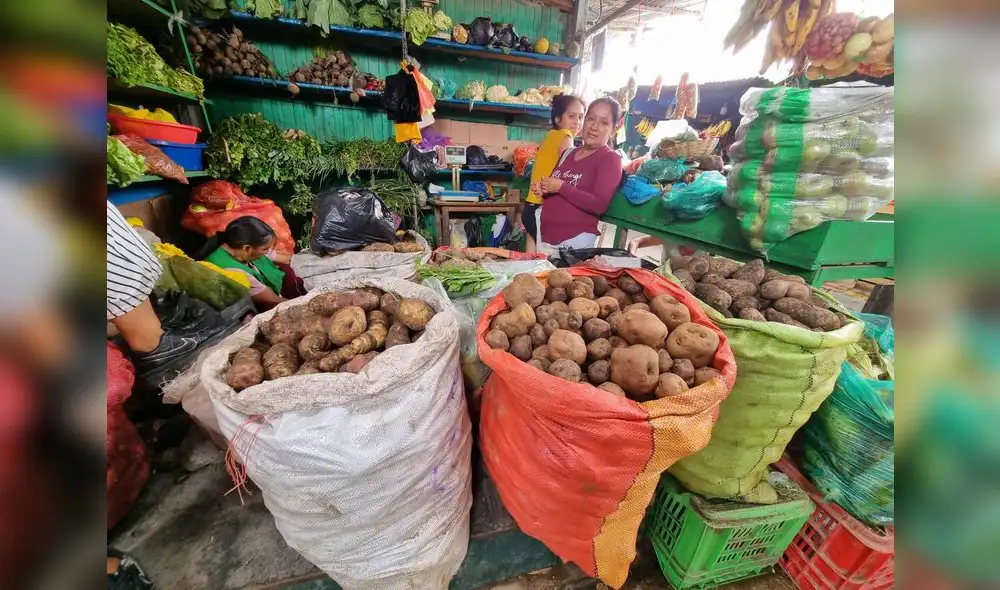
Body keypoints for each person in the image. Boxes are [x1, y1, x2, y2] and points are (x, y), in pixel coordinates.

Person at [536, 97, 624, 251]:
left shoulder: (610, 159)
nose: (594, 127)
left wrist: (562, 187)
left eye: (604, 122)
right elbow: (553, 189)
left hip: (575, 243)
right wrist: (543, 187)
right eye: (590, 119)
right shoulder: (568, 153)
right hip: (545, 238)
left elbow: (599, 205)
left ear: (613, 130)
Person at [521, 94, 585, 254]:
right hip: (541, 209)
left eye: (581, 117)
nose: (577, 122)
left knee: (529, 259)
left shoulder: (550, 136)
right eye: (571, 116)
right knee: (544, 262)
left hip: (529, 207)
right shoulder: (565, 135)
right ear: (558, 119)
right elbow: (570, 168)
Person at [196, 216, 305, 311]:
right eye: (265, 248)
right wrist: (304, 306)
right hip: (258, 306)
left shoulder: (241, 248)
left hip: (272, 292)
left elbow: (286, 259)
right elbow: (273, 300)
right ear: (247, 248)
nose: (267, 251)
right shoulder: (231, 271)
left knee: (290, 271)